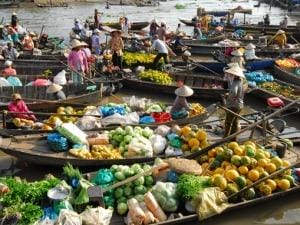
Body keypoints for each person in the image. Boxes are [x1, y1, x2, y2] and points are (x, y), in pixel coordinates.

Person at [223, 65, 245, 139]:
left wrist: (228, 96)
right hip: (240, 105)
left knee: (228, 123)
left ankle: (225, 138)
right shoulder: (240, 81)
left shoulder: (235, 82)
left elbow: (234, 93)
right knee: (235, 122)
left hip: (233, 105)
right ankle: (233, 139)